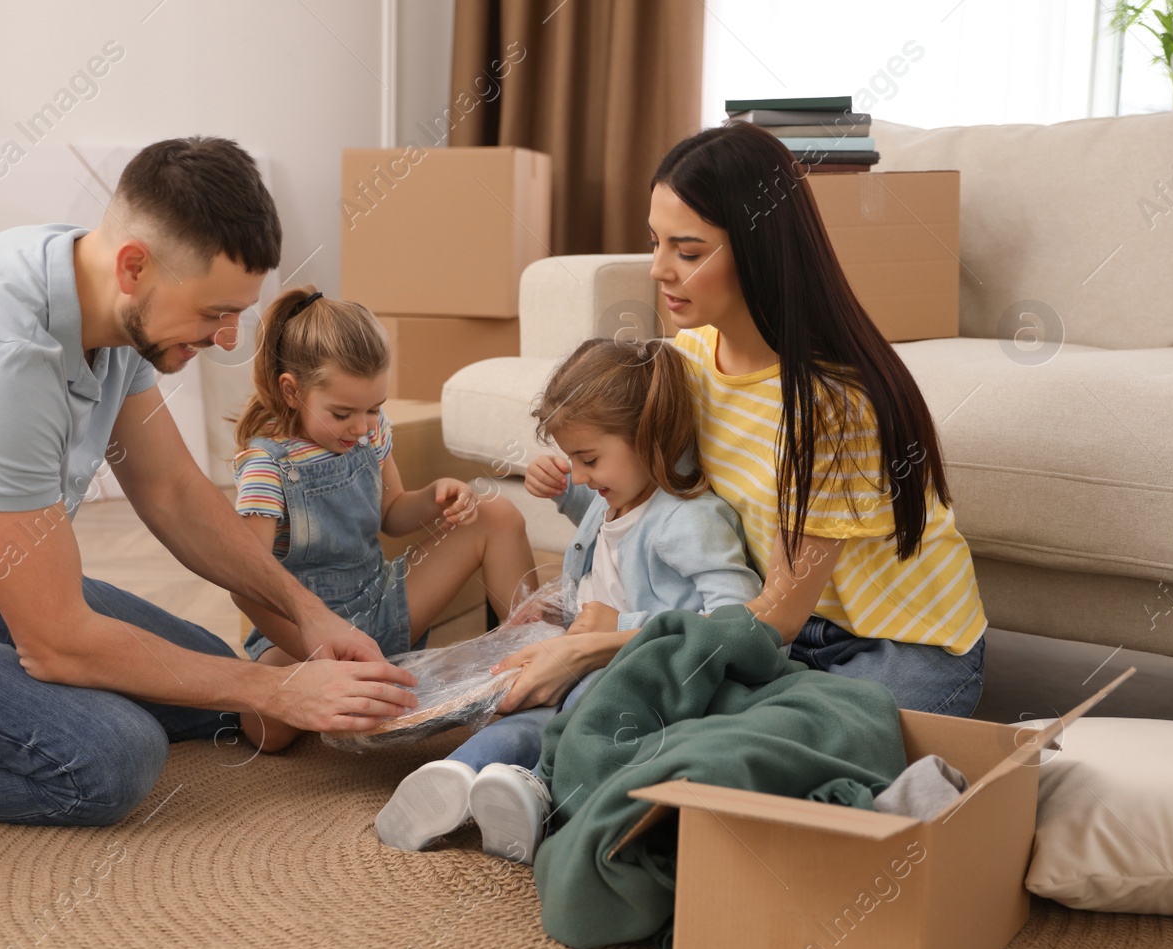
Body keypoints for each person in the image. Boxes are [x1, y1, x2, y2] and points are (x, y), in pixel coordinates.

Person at [0, 137, 418, 827]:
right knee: (108, 758)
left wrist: (311, 619)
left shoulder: (108, 301)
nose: (228, 337)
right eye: (215, 311)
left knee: (222, 686)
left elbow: (172, 492)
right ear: (134, 266)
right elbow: (57, 641)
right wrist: (279, 690)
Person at [493, 121, 988, 721]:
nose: (659, 269)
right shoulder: (690, 362)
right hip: (765, 629)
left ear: (758, 250)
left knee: (770, 755)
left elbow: (778, 613)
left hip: (895, 646)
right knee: (665, 723)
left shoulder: (831, 406)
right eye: (655, 242)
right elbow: (627, 468)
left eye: (689, 251)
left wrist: (597, 646)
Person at [374, 337, 762, 864]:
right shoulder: (620, 493)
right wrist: (562, 492)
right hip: (588, 659)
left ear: (650, 440)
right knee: (517, 710)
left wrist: (623, 622)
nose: (579, 474)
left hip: (645, 680)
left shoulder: (689, 521)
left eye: (588, 459)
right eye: (571, 459)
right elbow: (603, 540)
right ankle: (453, 775)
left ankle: (534, 788)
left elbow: (737, 618)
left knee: (580, 712)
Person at [229, 286, 537, 753]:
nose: (362, 426)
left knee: (495, 512)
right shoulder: (265, 466)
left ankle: (535, 654)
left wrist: (435, 498)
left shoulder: (371, 434)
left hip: (383, 608)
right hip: (303, 636)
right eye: (343, 413)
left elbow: (393, 515)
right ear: (292, 391)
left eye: (374, 408)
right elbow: (245, 583)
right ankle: (342, 686)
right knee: (267, 734)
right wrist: (319, 655)